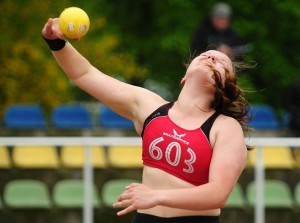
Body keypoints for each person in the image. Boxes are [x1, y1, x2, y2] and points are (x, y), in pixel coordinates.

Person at [42, 17, 251, 223]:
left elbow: (218, 194)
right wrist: (56, 42)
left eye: (222, 62)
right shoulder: (151, 106)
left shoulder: (225, 127)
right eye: (205, 55)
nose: (212, 57)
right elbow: (85, 74)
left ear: (226, 85)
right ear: (184, 77)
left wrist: (157, 196)